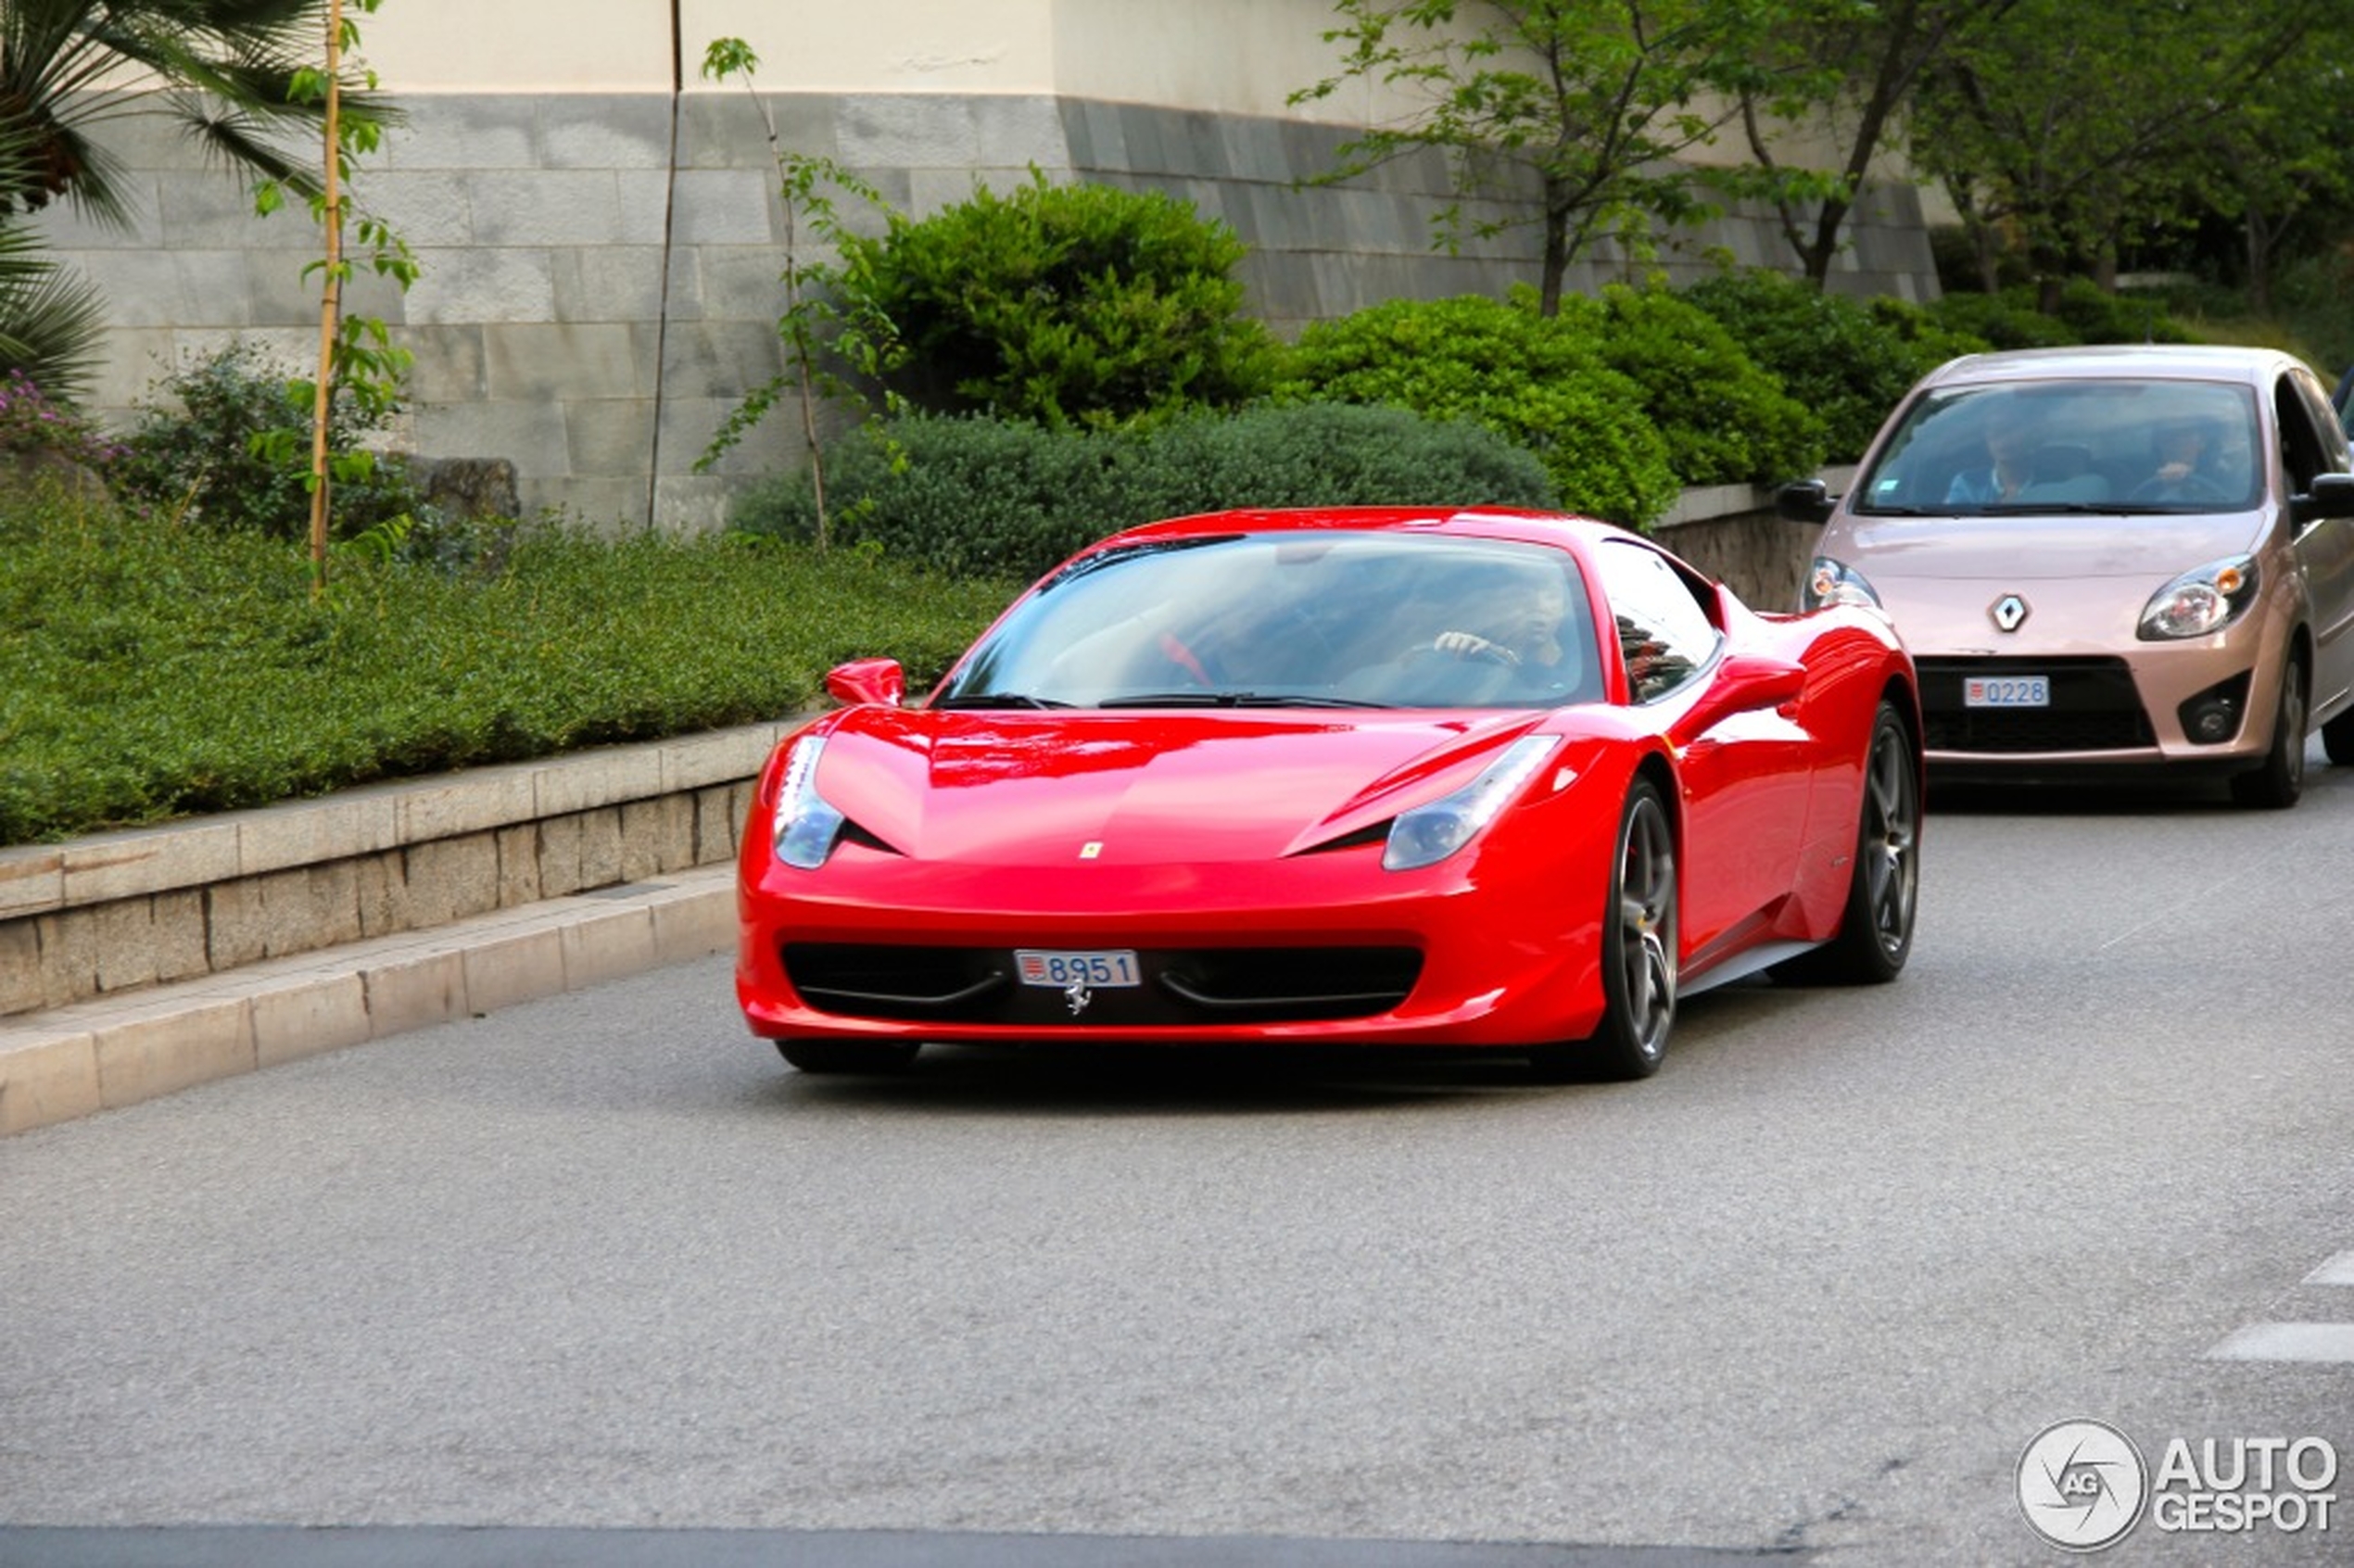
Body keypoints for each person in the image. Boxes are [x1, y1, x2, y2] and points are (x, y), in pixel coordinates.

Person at [1946, 399, 2036, 505]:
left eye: (2010, 430)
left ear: (2028, 436)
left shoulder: (2054, 482)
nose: (2004, 440)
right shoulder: (1968, 484)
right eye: (1995, 432)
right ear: (1986, 439)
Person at [2128, 418, 2227, 502]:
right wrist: (2162, 486)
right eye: (2169, 435)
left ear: (2202, 442)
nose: (2178, 442)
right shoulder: (2138, 479)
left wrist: (2191, 487)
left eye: (2186, 434)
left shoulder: (2220, 478)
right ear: (2158, 443)